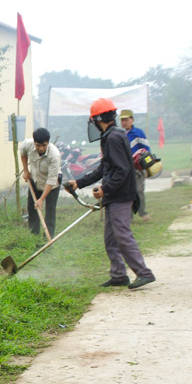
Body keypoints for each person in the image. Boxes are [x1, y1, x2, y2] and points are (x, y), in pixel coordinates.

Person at [67, 97, 155, 290]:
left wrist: (105, 189)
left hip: (121, 196)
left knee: (122, 235)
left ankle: (144, 273)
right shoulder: (113, 135)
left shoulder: (113, 137)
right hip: (115, 196)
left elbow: (122, 170)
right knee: (110, 238)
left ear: (98, 119)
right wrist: (78, 183)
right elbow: (104, 168)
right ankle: (118, 275)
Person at [20, 127, 62, 238]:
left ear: (48, 142)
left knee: (50, 210)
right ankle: (33, 236)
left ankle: (47, 239)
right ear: (34, 142)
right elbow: (23, 153)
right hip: (35, 179)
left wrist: (42, 199)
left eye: (44, 145)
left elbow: (52, 179)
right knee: (32, 208)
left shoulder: (54, 155)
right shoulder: (27, 144)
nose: (41, 148)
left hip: (52, 184)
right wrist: (26, 171)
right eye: (38, 145)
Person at [119, 109, 151, 221]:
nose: (124, 122)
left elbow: (147, 150)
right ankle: (129, 216)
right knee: (127, 192)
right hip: (124, 168)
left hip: (138, 167)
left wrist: (146, 167)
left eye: (126, 120)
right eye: (122, 120)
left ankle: (143, 213)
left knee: (139, 190)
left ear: (132, 120)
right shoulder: (119, 134)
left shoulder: (139, 133)